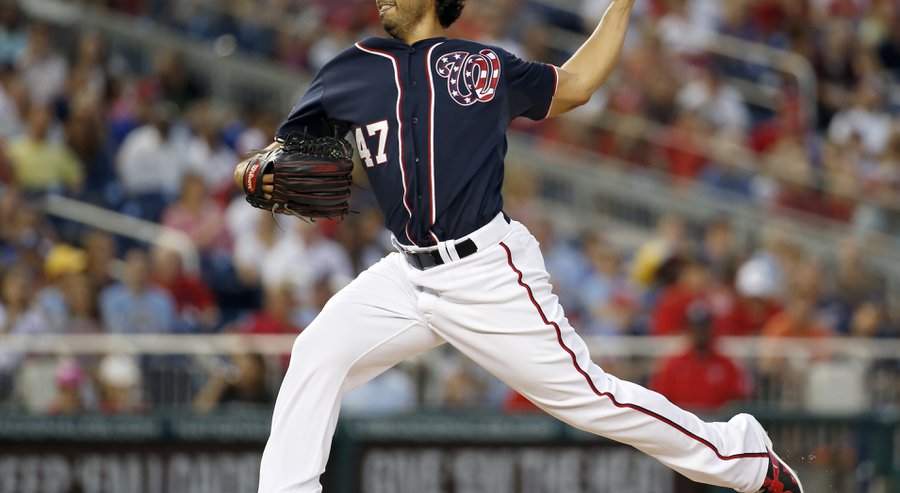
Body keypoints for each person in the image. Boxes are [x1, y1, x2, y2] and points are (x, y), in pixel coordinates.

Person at [233, 1, 804, 492]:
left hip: (486, 273)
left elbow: (574, 88)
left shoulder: (480, 65)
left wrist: (622, 6)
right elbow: (287, 147)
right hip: (406, 272)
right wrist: (251, 172)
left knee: (593, 399)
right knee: (316, 354)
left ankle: (744, 457)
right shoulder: (349, 70)